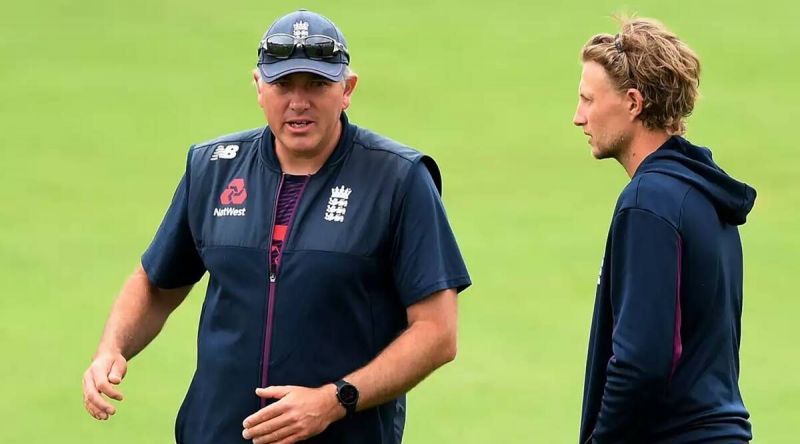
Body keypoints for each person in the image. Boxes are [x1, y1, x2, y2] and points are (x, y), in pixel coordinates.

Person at [81, 9, 471, 444]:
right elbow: (157, 283)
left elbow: (437, 332)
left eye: (317, 85)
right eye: (283, 85)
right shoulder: (213, 169)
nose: (298, 102)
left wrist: (334, 399)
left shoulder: (398, 179)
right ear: (258, 87)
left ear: (347, 90)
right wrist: (111, 348)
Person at [572, 17, 755, 443]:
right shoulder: (704, 196)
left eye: (587, 100)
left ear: (633, 103)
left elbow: (642, 361)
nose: (578, 118)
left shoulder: (648, 202)